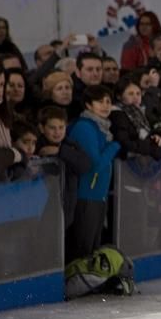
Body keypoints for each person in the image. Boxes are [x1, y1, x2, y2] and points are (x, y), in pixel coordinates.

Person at [65, 85, 121, 262]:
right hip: (86, 195)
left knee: (93, 247)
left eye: (108, 101)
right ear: (88, 105)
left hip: (97, 194)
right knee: (83, 247)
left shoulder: (102, 128)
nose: (105, 106)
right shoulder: (85, 127)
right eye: (100, 101)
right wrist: (115, 146)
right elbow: (94, 164)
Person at [110, 75, 161, 161]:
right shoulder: (117, 114)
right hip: (126, 164)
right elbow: (124, 142)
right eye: (130, 93)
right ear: (119, 96)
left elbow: (154, 128)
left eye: (138, 93)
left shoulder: (140, 111)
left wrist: (158, 136)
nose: (136, 97)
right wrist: (150, 148)